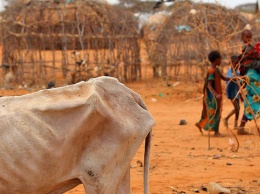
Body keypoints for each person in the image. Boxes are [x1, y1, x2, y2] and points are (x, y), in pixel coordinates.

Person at [195, 50, 231, 137]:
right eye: (220, 59)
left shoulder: (216, 70)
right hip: (212, 96)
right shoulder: (211, 71)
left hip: (216, 95)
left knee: (214, 112)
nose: (221, 61)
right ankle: (216, 132)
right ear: (216, 60)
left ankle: (201, 124)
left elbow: (224, 78)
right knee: (215, 113)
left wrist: (233, 78)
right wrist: (215, 94)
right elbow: (209, 85)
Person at [237, 30, 260, 135]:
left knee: (251, 102)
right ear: (242, 38)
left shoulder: (250, 48)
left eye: (250, 37)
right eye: (247, 37)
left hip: (252, 77)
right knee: (253, 101)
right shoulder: (248, 48)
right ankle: (241, 128)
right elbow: (254, 58)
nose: (249, 39)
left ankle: (241, 127)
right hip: (252, 77)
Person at [223, 56, 241, 129]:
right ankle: (226, 118)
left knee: (238, 108)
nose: (237, 65)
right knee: (237, 108)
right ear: (232, 63)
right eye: (236, 63)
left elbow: (238, 83)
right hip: (231, 92)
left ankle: (235, 124)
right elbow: (229, 81)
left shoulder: (237, 72)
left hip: (236, 91)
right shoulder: (230, 71)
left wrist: (240, 94)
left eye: (238, 63)